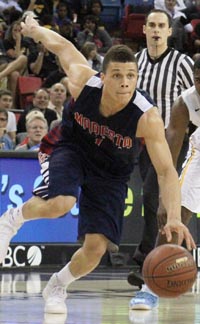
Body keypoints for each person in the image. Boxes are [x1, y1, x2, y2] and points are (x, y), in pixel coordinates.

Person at [0, 15, 195, 317]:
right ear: (103, 77)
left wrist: (173, 216)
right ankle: (10, 220)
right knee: (60, 203)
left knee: (95, 249)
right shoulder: (83, 81)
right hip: (72, 148)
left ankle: (57, 285)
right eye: (117, 76)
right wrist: (35, 29)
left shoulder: (147, 117)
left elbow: (166, 171)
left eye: (131, 76)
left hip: (112, 172)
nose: (125, 83)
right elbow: (62, 46)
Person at [127, 9, 194, 292]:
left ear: (169, 31)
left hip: (175, 142)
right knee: (150, 200)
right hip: (143, 142)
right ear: (144, 30)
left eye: (161, 26)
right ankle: (163, 259)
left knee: (159, 198)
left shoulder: (182, 63)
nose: (156, 30)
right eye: (151, 25)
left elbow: (195, 101)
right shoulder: (136, 62)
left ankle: (149, 261)